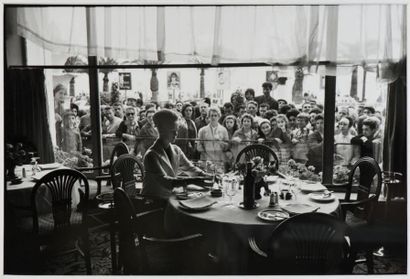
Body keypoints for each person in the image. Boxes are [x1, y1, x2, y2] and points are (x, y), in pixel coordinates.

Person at [141, 109, 209, 200]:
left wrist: (206, 176)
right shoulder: (151, 155)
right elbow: (166, 181)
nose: (176, 134)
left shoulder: (176, 150)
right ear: (162, 130)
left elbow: (190, 168)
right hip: (152, 202)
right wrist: (194, 180)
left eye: (177, 130)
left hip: (168, 198)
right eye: (173, 131)